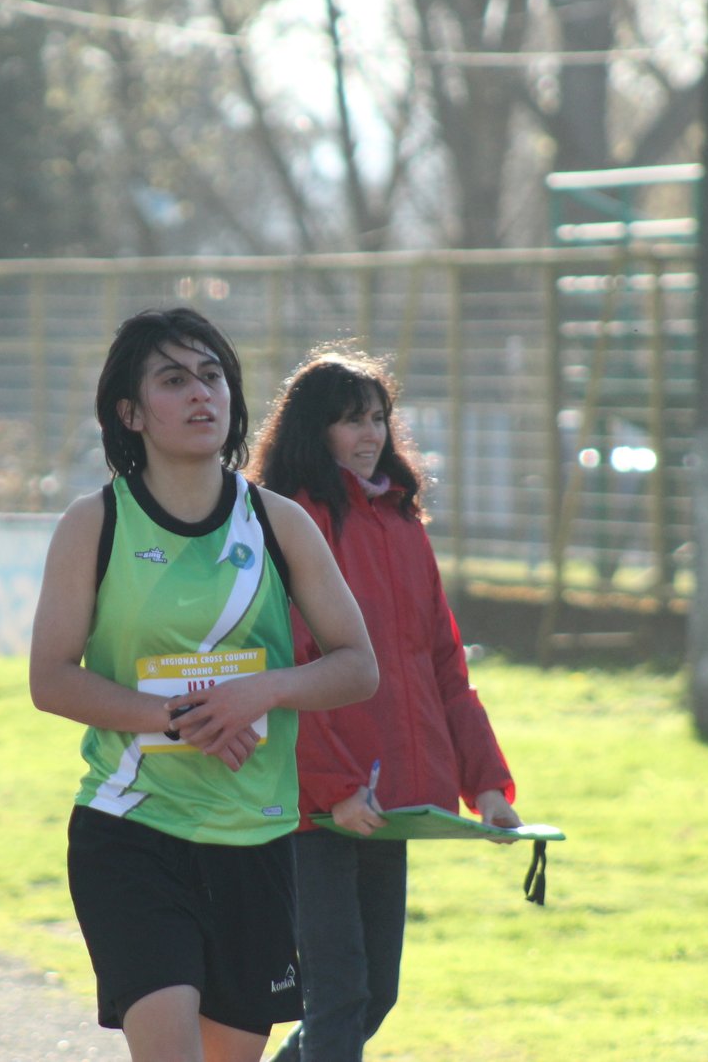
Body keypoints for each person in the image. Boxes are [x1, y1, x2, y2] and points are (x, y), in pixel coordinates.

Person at [29, 308, 381, 1062]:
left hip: (253, 838)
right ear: (131, 411)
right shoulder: (94, 524)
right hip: (132, 831)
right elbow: (51, 678)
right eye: (174, 379)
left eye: (213, 374)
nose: (201, 394)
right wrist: (174, 715)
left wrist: (263, 692)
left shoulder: (278, 524)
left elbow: (359, 664)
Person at [253, 348, 520, 1062]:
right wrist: (336, 789)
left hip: (391, 800)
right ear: (314, 429)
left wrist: (488, 786)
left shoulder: (403, 523)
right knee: (338, 996)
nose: (369, 434)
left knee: (374, 995)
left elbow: (444, 667)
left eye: (378, 417)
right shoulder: (288, 523)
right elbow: (289, 669)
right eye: (349, 421)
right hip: (314, 805)